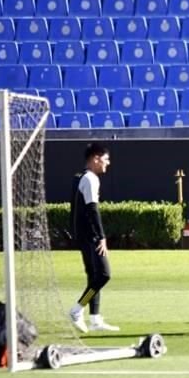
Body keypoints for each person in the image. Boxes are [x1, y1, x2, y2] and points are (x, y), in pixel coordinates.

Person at [68, 143, 119, 333]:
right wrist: (101, 237)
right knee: (104, 275)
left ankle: (95, 319)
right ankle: (76, 310)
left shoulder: (80, 177)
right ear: (96, 158)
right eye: (105, 160)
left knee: (94, 277)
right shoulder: (90, 179)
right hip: (90, 236)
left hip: (83, 235)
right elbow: (92, 209)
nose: (108, 164)